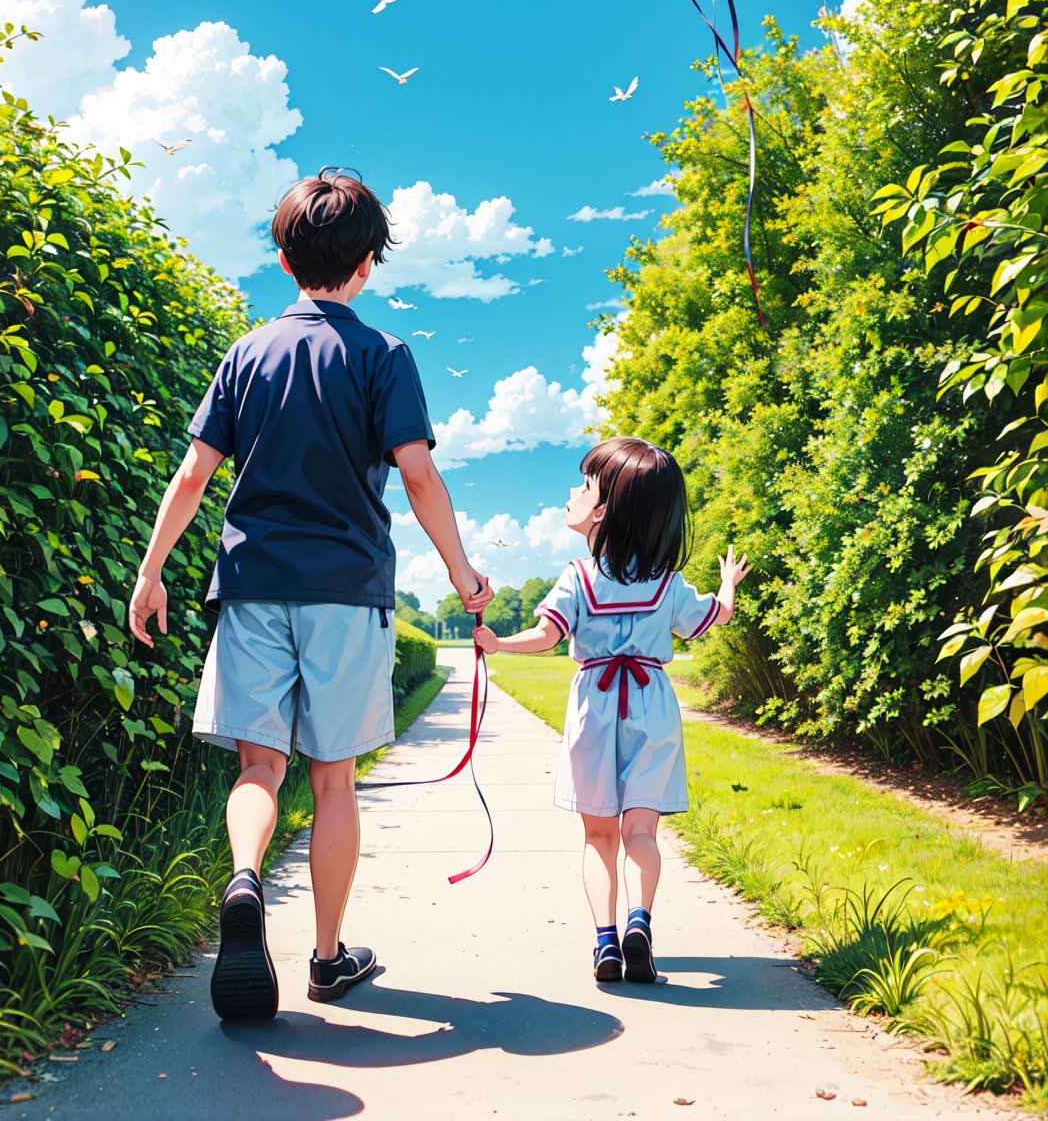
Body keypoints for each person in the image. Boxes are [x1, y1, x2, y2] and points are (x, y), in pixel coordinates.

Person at [126, 167, 492, 1020]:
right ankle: (327, 958)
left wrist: (151, 572)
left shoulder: (246, 353)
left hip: (251, 584)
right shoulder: (383, 356)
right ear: (366, 263)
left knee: (261, 764)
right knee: (333, 780)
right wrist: (460, 571)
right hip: (346, 590)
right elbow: (419, 474)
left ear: (284, 261)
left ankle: (246, 879)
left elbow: (193, 475)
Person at [473, 436, 748, 985]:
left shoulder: (577, 577)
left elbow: (547, 635)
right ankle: (639, 922)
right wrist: (726, 585)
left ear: (601, 512)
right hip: (652, 705)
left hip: (595, 705)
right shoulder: (667, 584)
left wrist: (499, 644)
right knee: (640, 832)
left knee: (598, 836)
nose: (572, 492)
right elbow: (716, 617)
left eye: (583, 485)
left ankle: (605, 942)